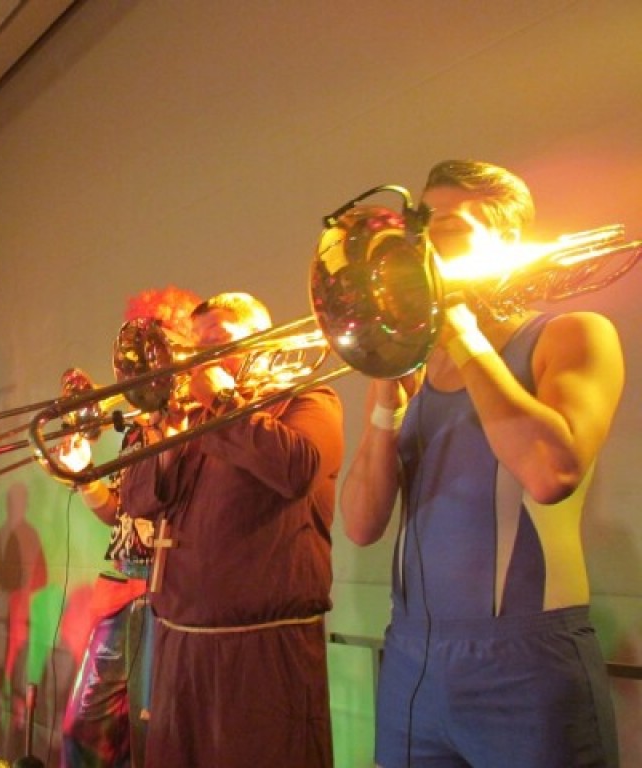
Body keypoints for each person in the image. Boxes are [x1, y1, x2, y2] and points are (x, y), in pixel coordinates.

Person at [339, 160, 622, 767]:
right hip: (411, 657)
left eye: (447, 230)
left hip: (525, 662)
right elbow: (360, 524)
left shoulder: (573, 334)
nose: (423, 249)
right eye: (419, 232)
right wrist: (385, 392)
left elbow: (550, 474)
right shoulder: (412, 371)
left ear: (507, 241)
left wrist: (463, 333)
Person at [120, 291, 344, 768]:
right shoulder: (191, 420)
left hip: (262, 652)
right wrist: (166, 437)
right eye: (195, 345)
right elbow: (136, 501)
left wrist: (223, 400)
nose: (199, 359)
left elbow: (299, 469)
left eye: (218, 342)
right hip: (179, 645)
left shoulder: (308, 399)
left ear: (265, 341)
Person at [59, 286, 199, 768]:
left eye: (159, 352)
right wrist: (84, 475)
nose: (145, 368)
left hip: (166, 596)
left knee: (150, 732)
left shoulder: (195, 422)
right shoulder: (136, 430)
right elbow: (120, 514)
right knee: (85, 727)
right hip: (124, 593)